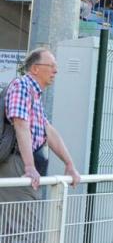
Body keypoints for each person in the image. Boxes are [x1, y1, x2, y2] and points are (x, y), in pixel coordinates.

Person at [0, 49, 81, 237]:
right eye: (51, 66)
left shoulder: (34, 94)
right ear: (35, 69)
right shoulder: (22, 86)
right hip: (16, 163)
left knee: (17, 229)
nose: (55, 71)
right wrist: (29, 167)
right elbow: (20, 125)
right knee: (23, 231)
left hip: (20, 162)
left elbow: (49, 131)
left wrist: (69, 164)